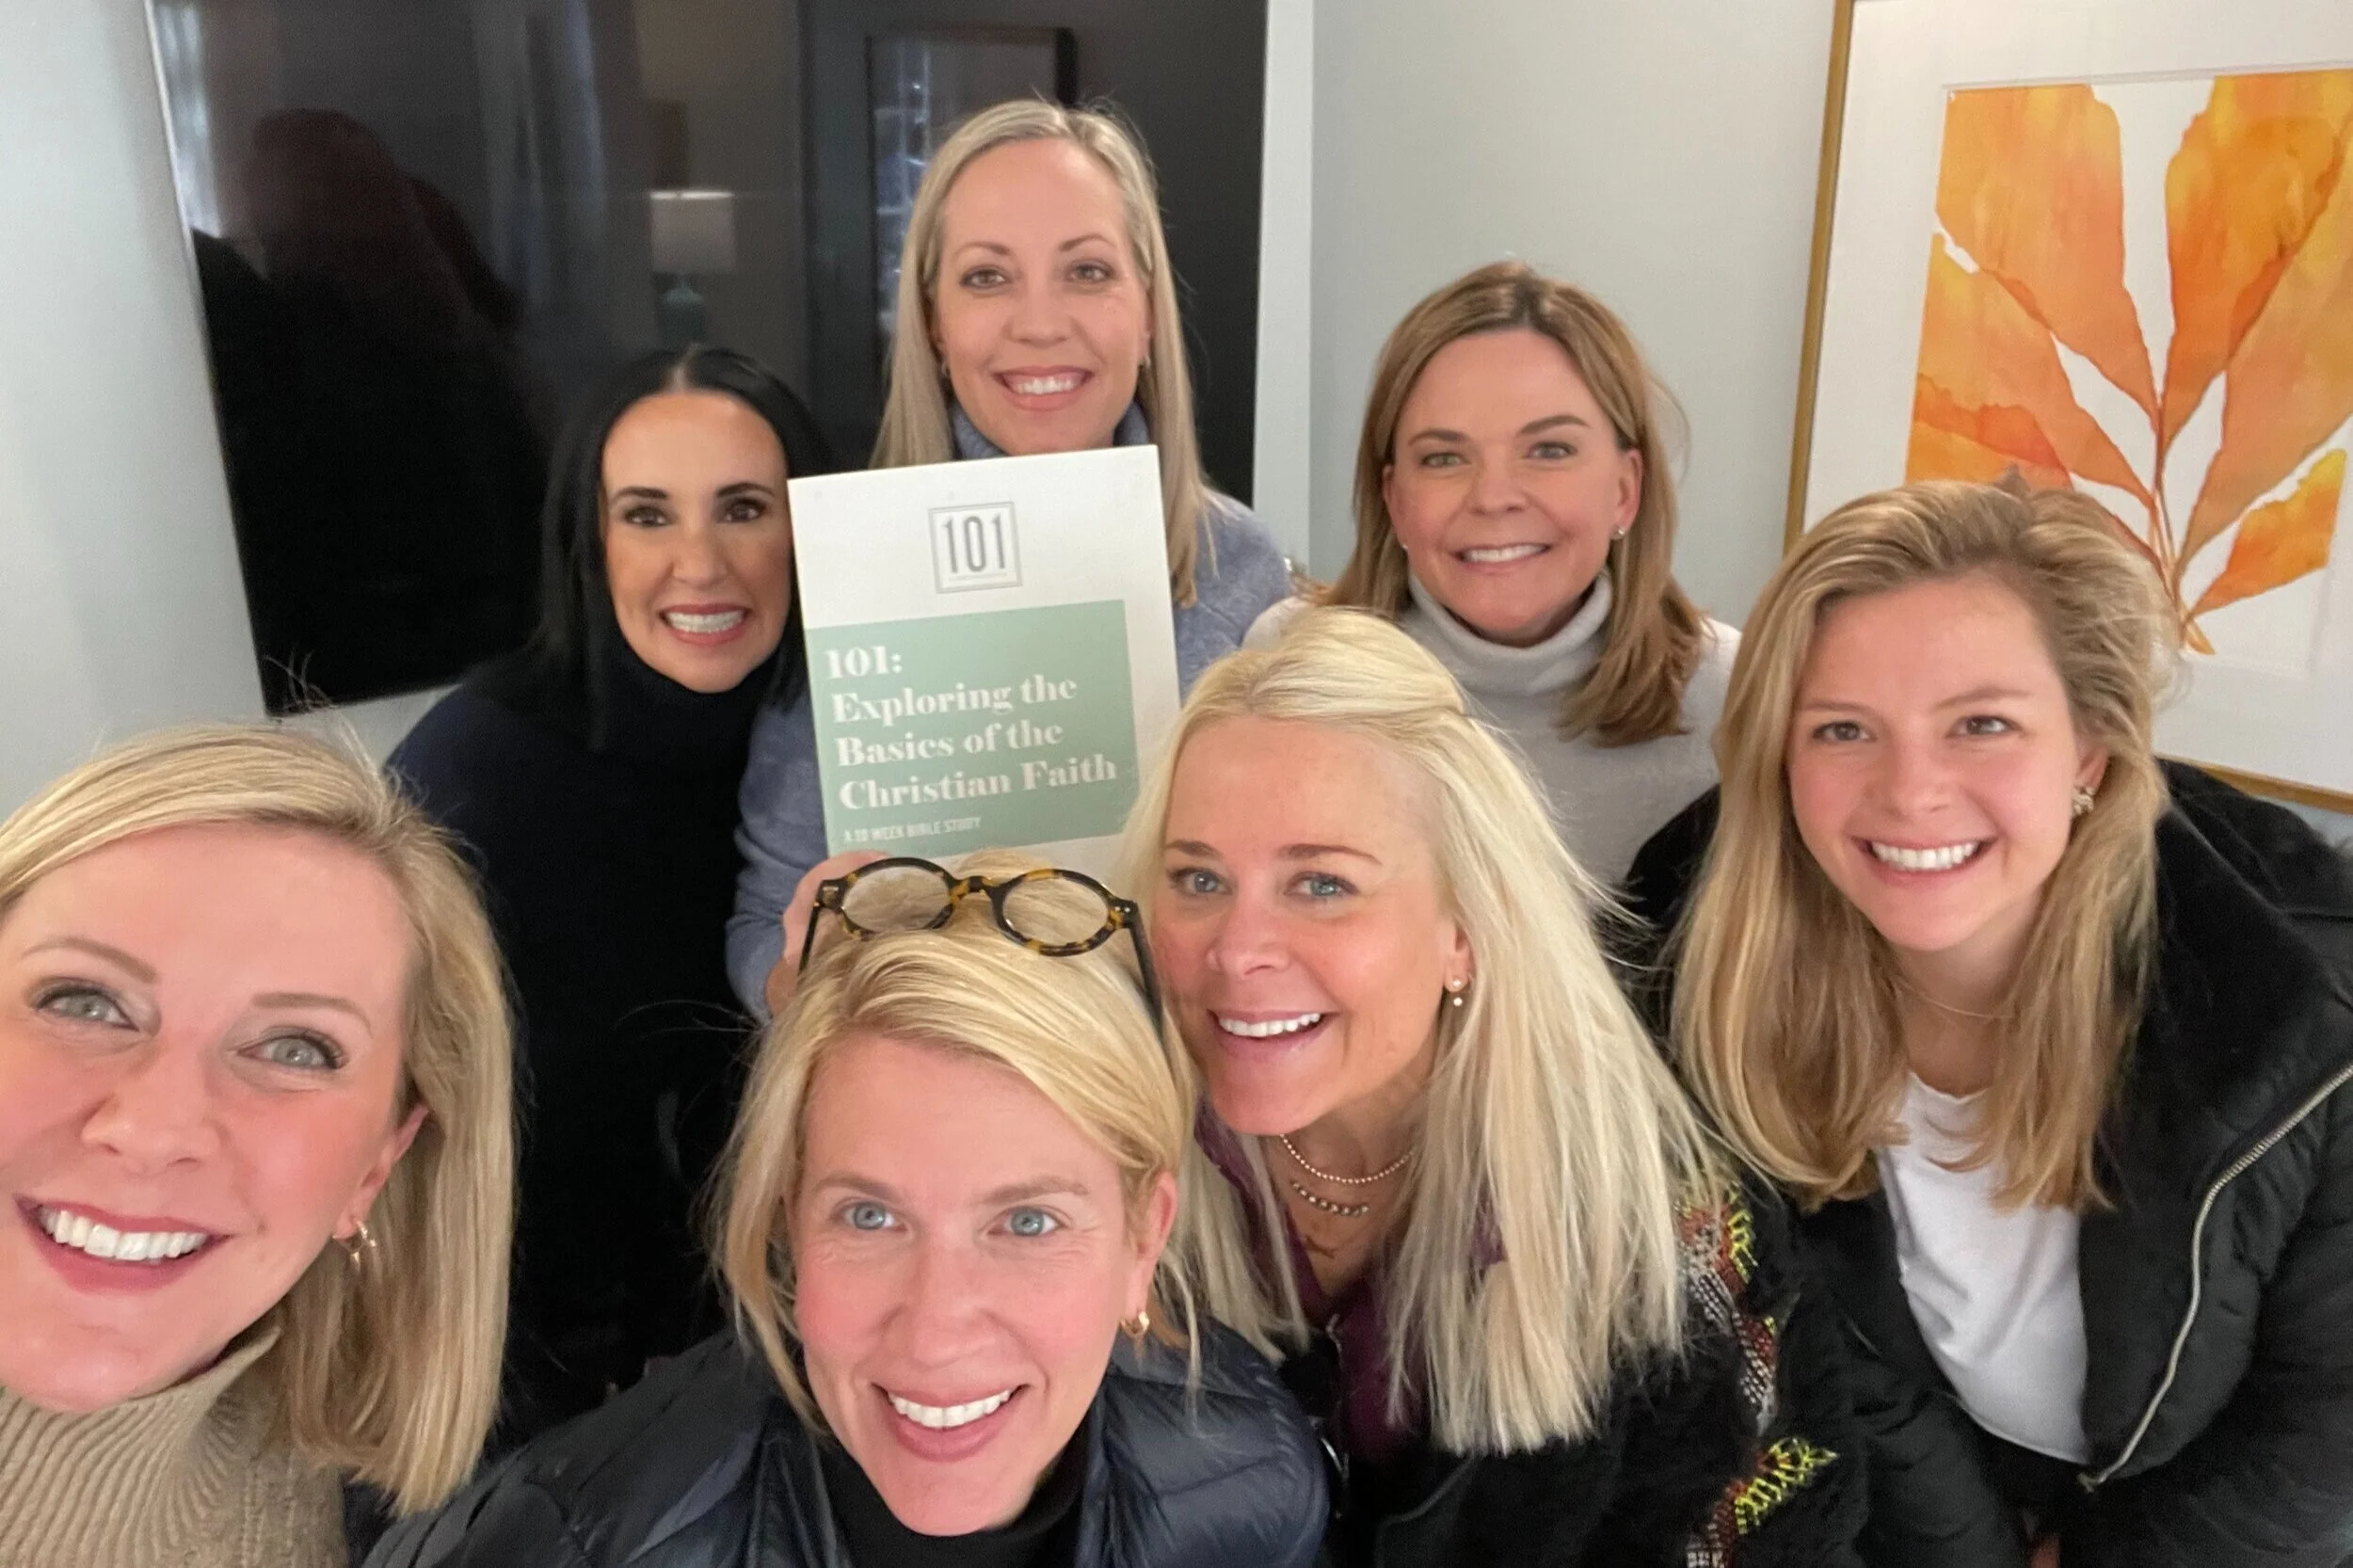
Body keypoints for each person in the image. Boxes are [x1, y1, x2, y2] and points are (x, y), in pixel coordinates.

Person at [1632, 478, 2353, 1566]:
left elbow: (2323, 1437)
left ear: (2088, 751)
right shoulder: (1708, 971)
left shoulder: (2304, 1010)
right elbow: (1843, 1352)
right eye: (1842, 729)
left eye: (1981, 724)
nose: (1909, 791)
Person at [1120, 608, 1864, 1566]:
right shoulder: (1106, 1156)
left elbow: (1773, 1533)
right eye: (1198, 880)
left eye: (1321, 885)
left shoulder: (1665, 1221)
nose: (1237, 950)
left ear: (1463, 932)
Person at [366, 851, 1328, 1568]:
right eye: (870, 1217)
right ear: (789, 1223)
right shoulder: (574, 1545)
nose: (936, 1330)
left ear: (1142, 1238)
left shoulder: (1253, 1480)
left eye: (1027, 1223)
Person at [729, 99, 1293, 1016]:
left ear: (1147, 312)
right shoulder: (847, 569)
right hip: (934, 1075)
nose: (1039, 323)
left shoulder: (1243, 569)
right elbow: (764, 919)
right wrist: (802, 976)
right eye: (988, 277)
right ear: (934, 322)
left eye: (1087, 271)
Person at [389, 344, 835, 1439]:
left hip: (793, 1325)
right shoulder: (469, 778)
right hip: (525, 1365)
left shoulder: (849, 752)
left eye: (743, 509)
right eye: (647, 515)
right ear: (589, 543)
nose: (700, 563)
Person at [0, 725, 511, 1566]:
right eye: (82, 1002)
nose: (153, 1130)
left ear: (378, 1166)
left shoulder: (319, 1509)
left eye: (294, 1049)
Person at [1261, 261, 1735, 886]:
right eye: (1444, 458)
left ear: (1626, 489)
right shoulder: (1284, 665)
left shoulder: (1734, 697)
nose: (1493, 497)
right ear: (1394, 500)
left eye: (1549, 450)